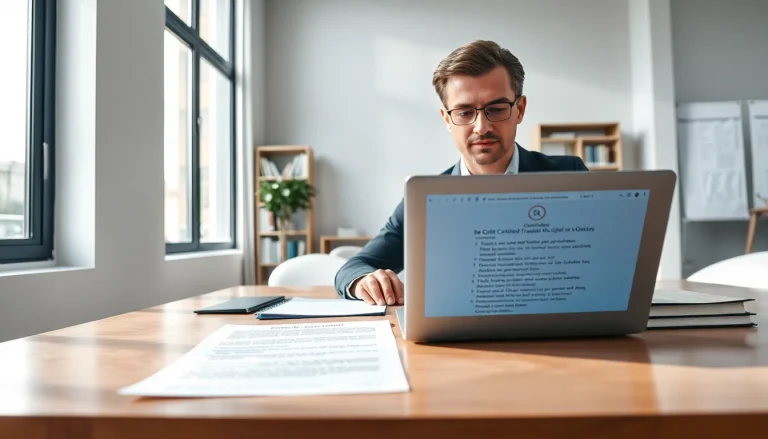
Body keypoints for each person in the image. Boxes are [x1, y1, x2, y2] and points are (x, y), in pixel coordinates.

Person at [334, 40, 588, 306]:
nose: (481, 127)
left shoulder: (569, 175)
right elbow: (353, 268)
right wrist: (364, 280)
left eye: (497, 109)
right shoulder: (423, 198)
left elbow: (613, 257)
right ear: (447, 119)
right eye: (465, 112)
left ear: (519, 110)